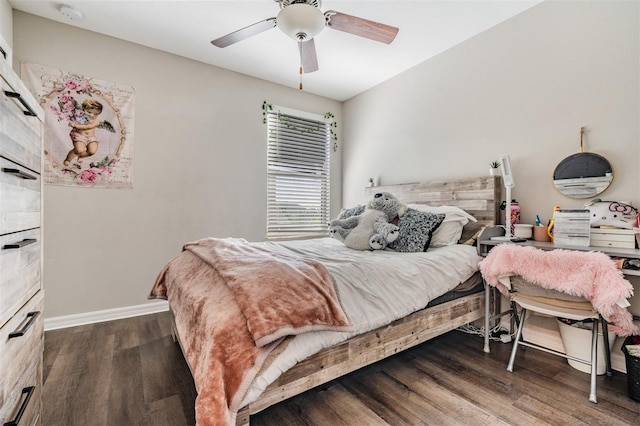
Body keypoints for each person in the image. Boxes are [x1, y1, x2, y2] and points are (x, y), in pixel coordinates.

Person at [63, 99, 103, 166]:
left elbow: (88, 126)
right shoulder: (79, 117)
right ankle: (68, 159)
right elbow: (71, 119)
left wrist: (75, 125)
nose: (92, 115)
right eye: (89, 112)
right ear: (83, 109)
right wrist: (72, 123)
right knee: (79, 150)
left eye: (96, 114)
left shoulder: (96, 121)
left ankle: (81, 156)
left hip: (91, 138)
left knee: (92, 151)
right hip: (79, 135)